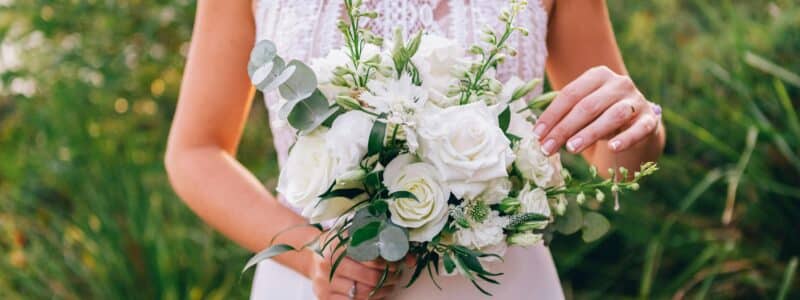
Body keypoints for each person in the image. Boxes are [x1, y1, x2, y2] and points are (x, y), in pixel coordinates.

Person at [165, 0, 665, 299]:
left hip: (498, 286)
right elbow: (195, 151)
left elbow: (615, 160)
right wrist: (313, 255)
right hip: (326, 287)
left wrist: (636, 127)